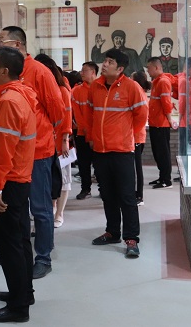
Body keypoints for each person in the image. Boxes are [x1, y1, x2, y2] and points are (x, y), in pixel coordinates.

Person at [0, 26, 65, 279]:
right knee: (17, 207)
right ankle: (17, 251)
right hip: (14, 154)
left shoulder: (39, 71)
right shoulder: (5, 71)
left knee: (40, 207)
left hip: (37, 151)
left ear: (17, 45)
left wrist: (50, 135)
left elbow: (57, 110)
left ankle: (43, 257)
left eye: (1, 41)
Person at [0, 46, 37, 324]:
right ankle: (23, 293)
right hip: (18, 180)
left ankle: (18, 307)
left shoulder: (9, 102)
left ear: (4, 71)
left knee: (9, 246)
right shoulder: (20, 95)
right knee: (20, 241)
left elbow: (3, 152)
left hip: (8, 183)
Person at [85, 48, 148, 258]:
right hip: (100, 150)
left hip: (122, 150)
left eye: (110, 62)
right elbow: (90, 114)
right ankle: (112, 232)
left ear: (120, 69)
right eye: (105, 60)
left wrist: (127, 135)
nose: (104, 64)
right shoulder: (95, 86)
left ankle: (131, 238)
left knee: (127, 196)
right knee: (108, 195)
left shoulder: (132, 87)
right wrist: (92, 137)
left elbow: (141, 116)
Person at [34, 53, 72, 228]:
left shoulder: (62, 89)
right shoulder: (40, 91)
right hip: (46, 142)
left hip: (61, 142)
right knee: (50, 180)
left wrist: (65, 139)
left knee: (63, 179)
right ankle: (51, 209)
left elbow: (66, 116)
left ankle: (59, 213)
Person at [146, 57, 177, 189]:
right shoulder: (156, 82)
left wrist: (169, 119)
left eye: (149, 68)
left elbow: (166, 102)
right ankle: (162, 176)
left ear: (157, 67)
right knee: (157, 152)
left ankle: (166, 180)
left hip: (161, 123)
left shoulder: (163, 82)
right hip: (155, 122)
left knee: (163, 153)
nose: (148, 71)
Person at [72, 61, 98, 200]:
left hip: (99, 134)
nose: (81, 73)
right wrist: (87, 132)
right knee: (83, 163)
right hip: (82, 133)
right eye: (81, 70)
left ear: (93, 72)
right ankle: (85, 189)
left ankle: (103, 189)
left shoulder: (100, 89)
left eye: (84, 70)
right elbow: (78, 116)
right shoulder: (76, 91)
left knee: (100, 164)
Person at [131, 70, 152, 205]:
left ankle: (139, 196)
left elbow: (141, 118)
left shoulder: (140, 95)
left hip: (137, 136)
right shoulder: (138, 94)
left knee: (137, 167)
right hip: (134, 136)